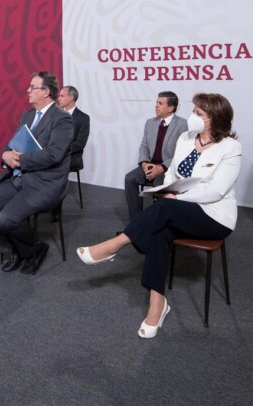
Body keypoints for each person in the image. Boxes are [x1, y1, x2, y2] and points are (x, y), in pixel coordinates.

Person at [78, 93, 241, 338]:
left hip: (214, 216)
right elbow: (174, 174)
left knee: (164, 209)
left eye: (199, 114)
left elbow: (216, 190)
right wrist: (169, 190)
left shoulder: (230, 147)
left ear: (214, 119)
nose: (193, 117)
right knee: (160, 230)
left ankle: (115, 244)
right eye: (194, 111)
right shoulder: (186, 139)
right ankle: (157, 304)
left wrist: (176, 198)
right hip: (179, 209)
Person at [0, 71, 72, 275]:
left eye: (33, 87)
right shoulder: (26, 116)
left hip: (45, 183)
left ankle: (33, 248)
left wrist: (20, 160)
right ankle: (21, 249)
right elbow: (12, 145)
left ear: (46, 92)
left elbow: (54, 155)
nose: (28, 91)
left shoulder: (62, 119)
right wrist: (5, 155)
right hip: (18, 178)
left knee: (7, 219)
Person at [123, 91, 187, 222]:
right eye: (156, 102)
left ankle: (158, 222)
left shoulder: (182, 124)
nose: (156, 106)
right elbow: (144, 146)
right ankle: (136, 221)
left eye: (160, 103)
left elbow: (182, 153)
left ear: (171, 108)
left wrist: (162, 167)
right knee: (130, 179)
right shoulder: (150, 122)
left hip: (168, 167)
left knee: (160, 184)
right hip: (150, 164)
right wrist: (144, 163)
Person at [57, 85, 90, 174]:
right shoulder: (57, 116)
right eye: (59, 96)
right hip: (54, 153)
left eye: (62, 96)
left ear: (71, 98)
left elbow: (80, 144)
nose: (58, 99)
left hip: (71, 156)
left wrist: (61, 151)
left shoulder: (83, 118)